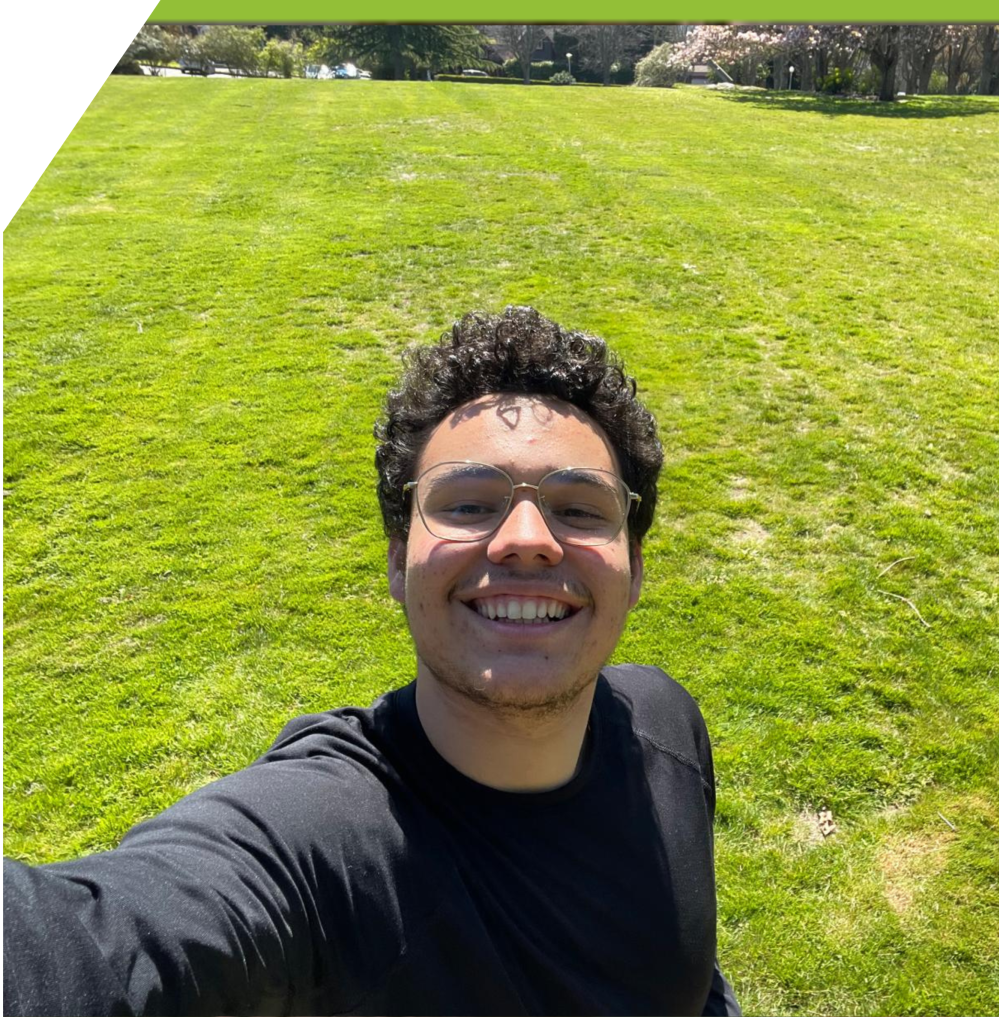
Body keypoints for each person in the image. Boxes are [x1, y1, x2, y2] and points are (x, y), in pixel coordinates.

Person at [3, 306, 740, 1017]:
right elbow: (105, 947)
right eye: (468, 503)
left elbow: (686, 976)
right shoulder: (321, 841)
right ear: (398, 561)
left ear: (635, 567)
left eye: (580, 509)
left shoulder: (667, 725)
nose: (526, 537)